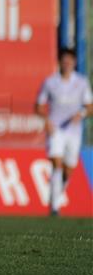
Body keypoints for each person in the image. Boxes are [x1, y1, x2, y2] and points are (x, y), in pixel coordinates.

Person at [35, 47, 93, 217]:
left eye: (70, 61)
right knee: (56, 163)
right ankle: (54, 207)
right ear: (60, 62)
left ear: (74, 63)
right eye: (64, 61)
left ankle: (56, 195)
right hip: (56, 130)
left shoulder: (81, 82)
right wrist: (46, 121)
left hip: (73, 132)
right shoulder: (50, 82)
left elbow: (90, 107)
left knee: (68, 169)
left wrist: (81, 113)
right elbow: (38, 106)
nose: (67, 64)